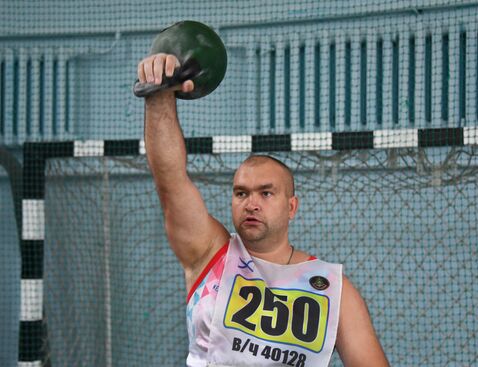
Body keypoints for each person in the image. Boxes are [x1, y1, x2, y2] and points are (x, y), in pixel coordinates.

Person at [138, 53, 389, 367]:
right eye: (241, 193)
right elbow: (170, 180)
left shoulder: (332, 288)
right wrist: (160, 96)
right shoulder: (208, 252)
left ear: (291, 207)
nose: (251, 203)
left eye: (266, 193)